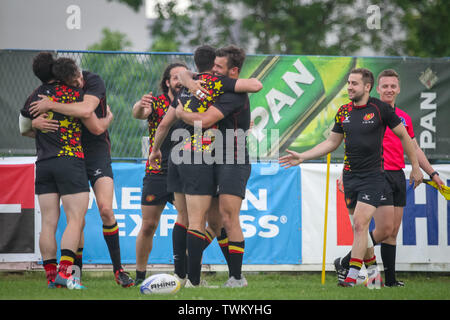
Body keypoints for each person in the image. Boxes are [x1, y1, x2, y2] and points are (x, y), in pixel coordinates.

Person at [279, 68, 423, 287]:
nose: (349, 87)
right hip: (350, 177)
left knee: (360, 224)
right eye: (348, 82)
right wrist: (303, 156)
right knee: (362, 232)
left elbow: (404, 136)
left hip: (374, 177)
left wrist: (415, 167)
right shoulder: (343, 111)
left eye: (354, 83)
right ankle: (374, 279)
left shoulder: (380, 108)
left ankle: (351, 275)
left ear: (367, 87)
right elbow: (331, 143)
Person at [148, 45, 262, 287]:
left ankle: (233, 277)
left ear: (233, 71)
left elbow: (206, 120)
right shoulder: (208, 84)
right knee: (211, 221)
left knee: (227, 218)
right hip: (209, 158)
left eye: (219, 68)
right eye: (214, 66)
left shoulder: (231, 91)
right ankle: (189, 275)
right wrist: (189, 81)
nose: (214, 72)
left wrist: (181, 112)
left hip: (234, 157)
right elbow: (186, 76)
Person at [28, 59, 134, 287]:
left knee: (106, 209)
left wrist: (51, 106)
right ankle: (73, 275)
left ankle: (118, 270)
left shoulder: (93, 80)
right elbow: (25, 125)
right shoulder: (64, 92)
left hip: (95, 153)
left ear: (79, 70)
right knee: (79, 219)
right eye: (73, 81)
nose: (78, 82)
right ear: (61, 81)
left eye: (78, 77)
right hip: (71, 156)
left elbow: (93, 123)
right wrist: (35, 123)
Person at [334, 69, 445, 287]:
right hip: (377, 174)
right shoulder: (372, 112)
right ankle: (348, 262)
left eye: (393, 86)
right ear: (376, 88)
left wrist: (431, 172)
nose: (389, 90)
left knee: (392, 231)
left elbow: (414, 146)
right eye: (385, 86)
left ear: (399, 89)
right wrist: (343, 174)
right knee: (381, 229)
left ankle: (390, 281)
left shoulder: (402, 117)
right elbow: (355, 147)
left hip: (397, 175)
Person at [19, 54, 93, 289]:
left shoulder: (34, 95)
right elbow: (88, 112)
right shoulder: (74, 94)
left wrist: (37, 127)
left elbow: (23, 128)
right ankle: (66, 274)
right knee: (75, 219)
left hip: (43, 164)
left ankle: (51, 277)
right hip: (69, 160)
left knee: (49, 223)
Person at [131, 62, 188, 285]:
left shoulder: (194, 101)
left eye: (184, 76)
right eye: (175, 77)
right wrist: (139, 106)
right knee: (148, 225)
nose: (180, 81)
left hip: (186, 169)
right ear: (167, 82)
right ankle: (139, 277)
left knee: (189, 225)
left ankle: (187, 275)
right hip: (157, 172)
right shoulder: (156, 102)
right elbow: (139, 113)